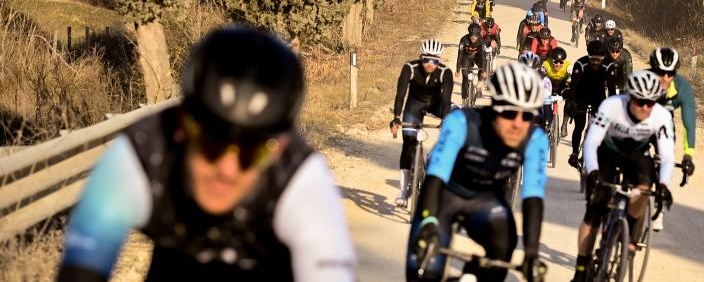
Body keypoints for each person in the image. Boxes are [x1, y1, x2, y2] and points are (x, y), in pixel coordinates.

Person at [57, 25, 356, 281]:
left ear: (279, 150)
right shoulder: (141, 153)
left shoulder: (302, 178)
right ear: (181, 128)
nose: (227, 169)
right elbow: (81, 271)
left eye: (251, 154)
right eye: (211, 144)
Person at [406, 62, 547, 282]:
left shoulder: (535, 139)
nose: (518, 124)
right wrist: (428, 222)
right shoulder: (462, 122)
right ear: (493, 107)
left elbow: (533, 199)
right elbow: (435, 178)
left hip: (487, 203)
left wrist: (531, 253)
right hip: (445, 196)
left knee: (504, 245)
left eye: (527, 116)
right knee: (420, 271)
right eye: (509, 113)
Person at [571, 70, 675, 282]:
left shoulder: (661, 115)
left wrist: (664, 184)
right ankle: (581, 268)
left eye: (651, 102)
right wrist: (592, 172)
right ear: (629, 96)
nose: (645, 107)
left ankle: (630, 235)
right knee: (595, 210)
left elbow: (666, 156)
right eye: (640, 101)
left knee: (645, 188)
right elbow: (591, 143)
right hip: (608, 152)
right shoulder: (612, 106)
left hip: (637, 155)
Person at [391, 40, 455, 208]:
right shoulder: (410, 68)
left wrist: (445, 120)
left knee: (456, 116)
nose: (430, 64)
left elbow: (447, 100)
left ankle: (435, 156)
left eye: (434, 61)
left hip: (436, 105)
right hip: (414, 105)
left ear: (439, 60)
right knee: (408, 145)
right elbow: (401, 94)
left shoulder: (445, 72)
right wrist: (397, 116)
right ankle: (404, 191)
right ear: (421, 57)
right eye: (426, 60)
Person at [649, 47, 696, 232]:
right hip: (640, 124)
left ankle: (658, 206)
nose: (665, 78)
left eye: (670, 74)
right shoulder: (641, 81)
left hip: (665, 125)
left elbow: (688, 124)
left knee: (665, 158)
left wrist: (688, 155)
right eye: (660, 72)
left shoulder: (683, 89)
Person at [568, 41, 615, 169]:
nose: (595, 62)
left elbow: (611, 90)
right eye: (592, 60)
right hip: (581, 96)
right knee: (580, 125)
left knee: (600, 127)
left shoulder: (609, 66)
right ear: (588, 57)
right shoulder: (580, 64)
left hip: (598, 97)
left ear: (603, 58)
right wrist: (572, 103)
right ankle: (574, 152)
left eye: (598, 60)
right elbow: (573, 87)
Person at [456, 23, 487, 104]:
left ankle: (479, 85)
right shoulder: (463, 40)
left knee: (482, 66)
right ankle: (463, 98)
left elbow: (484, 57)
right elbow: (460, 55)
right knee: (465, 77)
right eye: (472, 35)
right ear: (469, 34)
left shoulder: (482, 41)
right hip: (466, 57)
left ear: (478, 35)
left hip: (477, 57)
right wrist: (458, 70)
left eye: (476, 36)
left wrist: (484, 70)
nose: (474, 38)